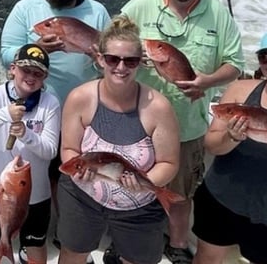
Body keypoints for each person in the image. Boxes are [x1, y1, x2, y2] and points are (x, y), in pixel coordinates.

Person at [120, 0, 244, 264]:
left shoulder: (218, 13)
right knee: (130, 187)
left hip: (188, 128)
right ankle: (126, 241)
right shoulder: (140, 6)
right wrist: (134, 54)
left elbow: (235, 65)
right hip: (137, 123)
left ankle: (176, 244)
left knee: (180, 195)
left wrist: (207, 81)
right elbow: (111, 41)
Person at [0, 0, 110, 261]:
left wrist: (98, 57)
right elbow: (7, 53)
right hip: (36, 112)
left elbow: (110, 58)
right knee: (34, 180)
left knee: (76, 177)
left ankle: (70, 239)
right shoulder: (25, 9)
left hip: (85, 114)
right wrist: (34, 46)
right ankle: (30, 241)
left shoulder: (97, 11)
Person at [57, 15, 180, 264]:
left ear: (140, 63)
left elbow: (169, 163)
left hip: (139, 206)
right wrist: (79, 171)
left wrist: (145, 183)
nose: (121, 68)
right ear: (101, 59)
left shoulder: (159, 107)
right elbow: (69, 149)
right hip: (82, 197)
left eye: (130, 61)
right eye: (113, 59)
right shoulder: (80, 98)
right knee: (72, 253)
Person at [190, 28, 267, 264]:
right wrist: (230, 137)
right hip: (222, 198)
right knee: (206, 259)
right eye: (266, 57)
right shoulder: (240, 90)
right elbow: (211, 145)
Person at [0, 44, 60, 264]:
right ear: (12, 69)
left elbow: (50, 150)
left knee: (35, 244)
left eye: (37, 73)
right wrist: (4, 114)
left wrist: (27, 135)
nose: (31, 77)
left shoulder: (50, 103)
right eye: (25, 70)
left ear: (45, 77)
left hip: (36, 195)